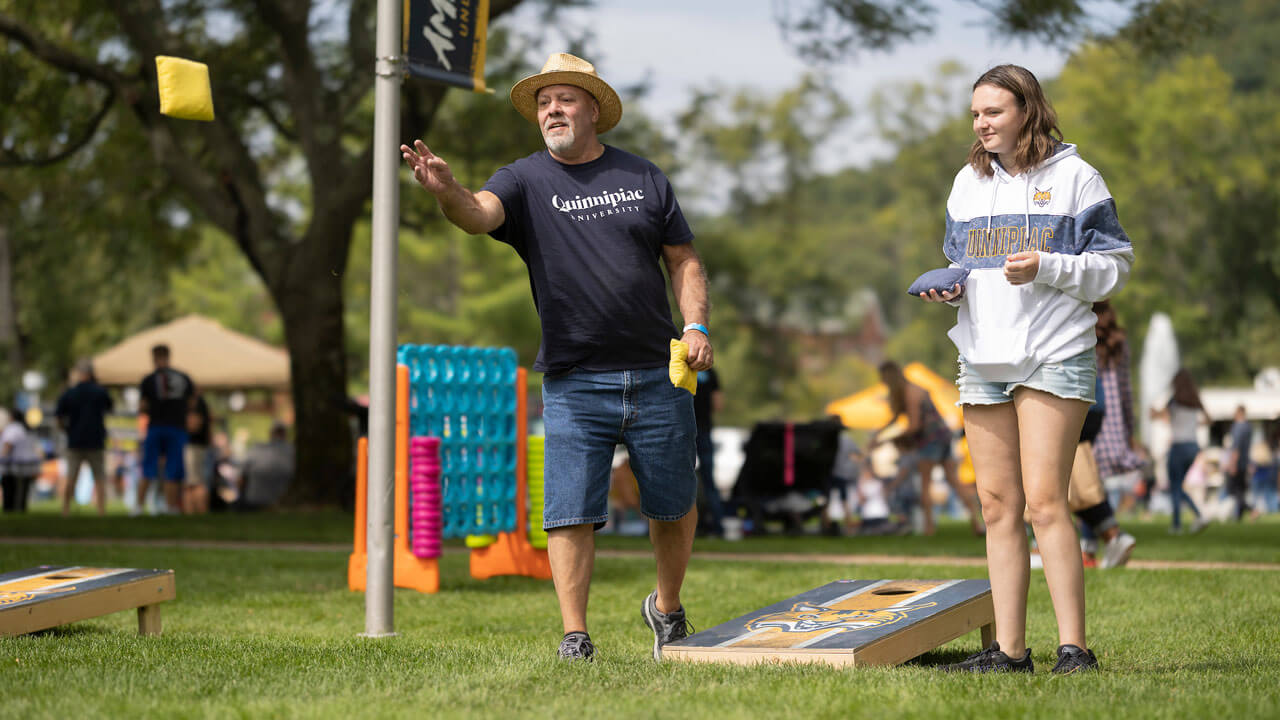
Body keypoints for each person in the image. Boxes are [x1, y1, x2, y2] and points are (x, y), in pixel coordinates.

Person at [401, 53, 710, 663]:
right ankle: (576, 634)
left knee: (674, 507)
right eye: (543, 103)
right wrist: (448, 191)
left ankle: (667, 610)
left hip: (659, 371)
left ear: (593, 109)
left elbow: (684, 259)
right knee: (570, 512)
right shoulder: (522, 180)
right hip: (573, 379)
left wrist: (696, 322)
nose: (552, 111)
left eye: (565, 100)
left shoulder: (644, 177)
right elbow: (478, 214)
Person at [921, 65, 1134, 674]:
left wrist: (1048, 266)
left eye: (993, 112)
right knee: (996, 505)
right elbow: (969, 267)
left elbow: (1116, 267)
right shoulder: (967, 182)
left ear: (1026, 110)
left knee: (1046, 503)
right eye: (975, 114)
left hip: (1052, 352)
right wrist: (952, 291)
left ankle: (1076, 650)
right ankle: (1009, 653)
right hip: (982, 355)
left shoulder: (1076, 177)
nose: (981, 124)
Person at [870, 361, 984, 536]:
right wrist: (879, 434)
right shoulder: (910, 391)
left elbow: (914, 425)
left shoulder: (910, 394)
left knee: (925, 485)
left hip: (930, 441)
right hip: (943, 436)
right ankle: (976, 523)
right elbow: (895, 418)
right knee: (953, 481)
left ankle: (929, 528)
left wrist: (888, 439)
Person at [1077, 300, 1140, 568]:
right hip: (1103, 413)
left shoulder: (1079, 327)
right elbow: (1125, 390)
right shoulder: (1117, 343)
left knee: (1070, 477)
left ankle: (1106, 538)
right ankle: (1095, 544)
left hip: (1079, 403)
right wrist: (1129, 429)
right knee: (1082, 476)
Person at [136, 344, 196, 515]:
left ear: (154, 357)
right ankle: (171, 508)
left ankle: (139, 508)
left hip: (156, 426)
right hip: (177, 427)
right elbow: (191, 403)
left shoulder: (148, 379)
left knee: (148, 467)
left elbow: (143, 406)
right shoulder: (184, 377)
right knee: (173, 470)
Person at [1154, 369, 1212, 534]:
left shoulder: (1174, 400)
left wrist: (1153, 412)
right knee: (1178, 486)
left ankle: (1179, 524)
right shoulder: (1195, 400)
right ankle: (1197, 516)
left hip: (1179, 445)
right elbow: (1209, 419)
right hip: (1193, 446)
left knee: (1175, 486)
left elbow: (1161, 415)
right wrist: (1194, 425)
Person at [55, 359, 114, 516]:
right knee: (99, 478)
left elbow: (59, 418)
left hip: (75, 440)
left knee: (71, 477)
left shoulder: (70, 392)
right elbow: (109, 408)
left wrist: (67, 430)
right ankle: (101, 511)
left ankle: (65, 509)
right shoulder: (100, 392)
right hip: (96, 440)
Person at [693, 367, 725, 537]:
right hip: (704, 429)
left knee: (676, 481)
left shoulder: (676, 365)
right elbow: (718, 404)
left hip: (681, 428)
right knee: (709, 482)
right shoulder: (710, 372)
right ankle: (719, 526)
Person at [235, 422, 294, 510]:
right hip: (284, 502)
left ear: (271, 434)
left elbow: (240, 479)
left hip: (254, 501)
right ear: (285, 434)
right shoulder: (293, 452)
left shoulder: (257, 449)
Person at [2, 406, 43, 512]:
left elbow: (8, 445)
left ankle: (9, 508)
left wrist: (2, 456)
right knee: (23, 488)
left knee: (10, 488)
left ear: (11, 417)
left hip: (14, 465)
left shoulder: (12, 428)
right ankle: (21, 508)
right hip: (27, 464)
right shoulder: (26, 428)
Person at [1223, 405, 1253, 521]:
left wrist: (1232, 464)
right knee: (1240, 489)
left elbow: (1236, 448)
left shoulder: (1238, 427)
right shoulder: (1248, 427)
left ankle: (1251, 509)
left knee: (1233, 489)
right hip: (1245, 462)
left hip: (1237, 463)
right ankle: (1239, 516)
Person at [184, 392, 212, 514]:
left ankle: (198, 511)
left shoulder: (196, 405)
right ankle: (193, 513)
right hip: (198, 447)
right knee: (192, 483)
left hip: (193, 447)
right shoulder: (200, 404)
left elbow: (194, 424)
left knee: (195, 483)